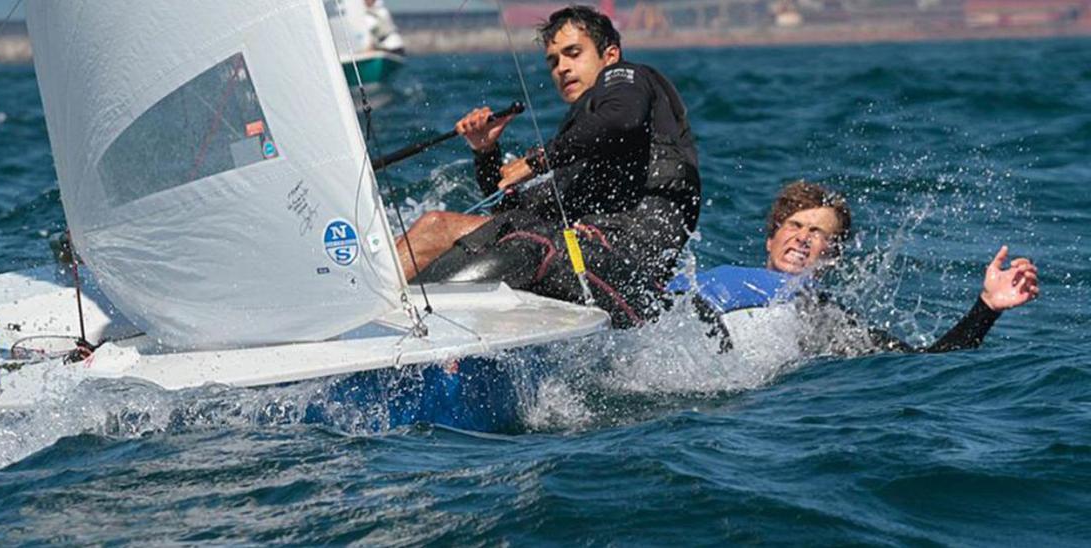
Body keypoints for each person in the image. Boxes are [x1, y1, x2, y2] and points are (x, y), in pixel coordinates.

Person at [395, 5, 701, 328]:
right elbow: (507, 214)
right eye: (554, 61)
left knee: (528, 244)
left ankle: (423, 323)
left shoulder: (627, 79)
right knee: (436, 226)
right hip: (578, 258)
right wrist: (485, 152)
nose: (562, 68)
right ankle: (370, 312)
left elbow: (621, 119)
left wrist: (538, 161)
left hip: (631, 276)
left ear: (610, 55)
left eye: (573, 53)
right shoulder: (579, 141)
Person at [665, 181, 1040, 355]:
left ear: (833, 256)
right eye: (794, 226)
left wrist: (986, 308)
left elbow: (925, 365)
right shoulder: (713, 277)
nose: (802, 238)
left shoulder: (826, 318)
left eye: (818, 233)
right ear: (770, 238)